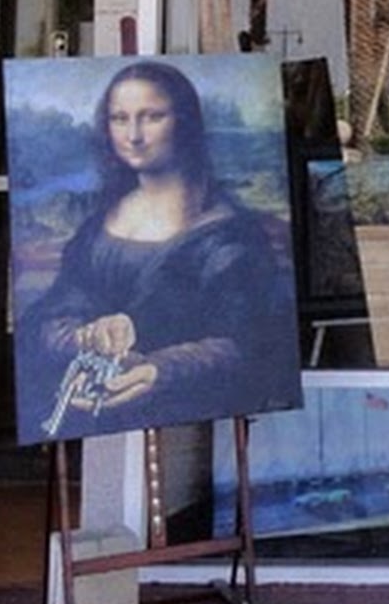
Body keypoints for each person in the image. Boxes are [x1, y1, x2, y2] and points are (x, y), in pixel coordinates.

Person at [26, 60, 291, 437]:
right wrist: (84, 335)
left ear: (183, 122)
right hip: (95, 416)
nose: (133, 135)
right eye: (119, 118)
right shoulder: (97, 226)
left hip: (188, 414)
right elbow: (50, 316)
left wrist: (161, 370)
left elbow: (251, 344)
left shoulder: (230, 235)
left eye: (151, 117)